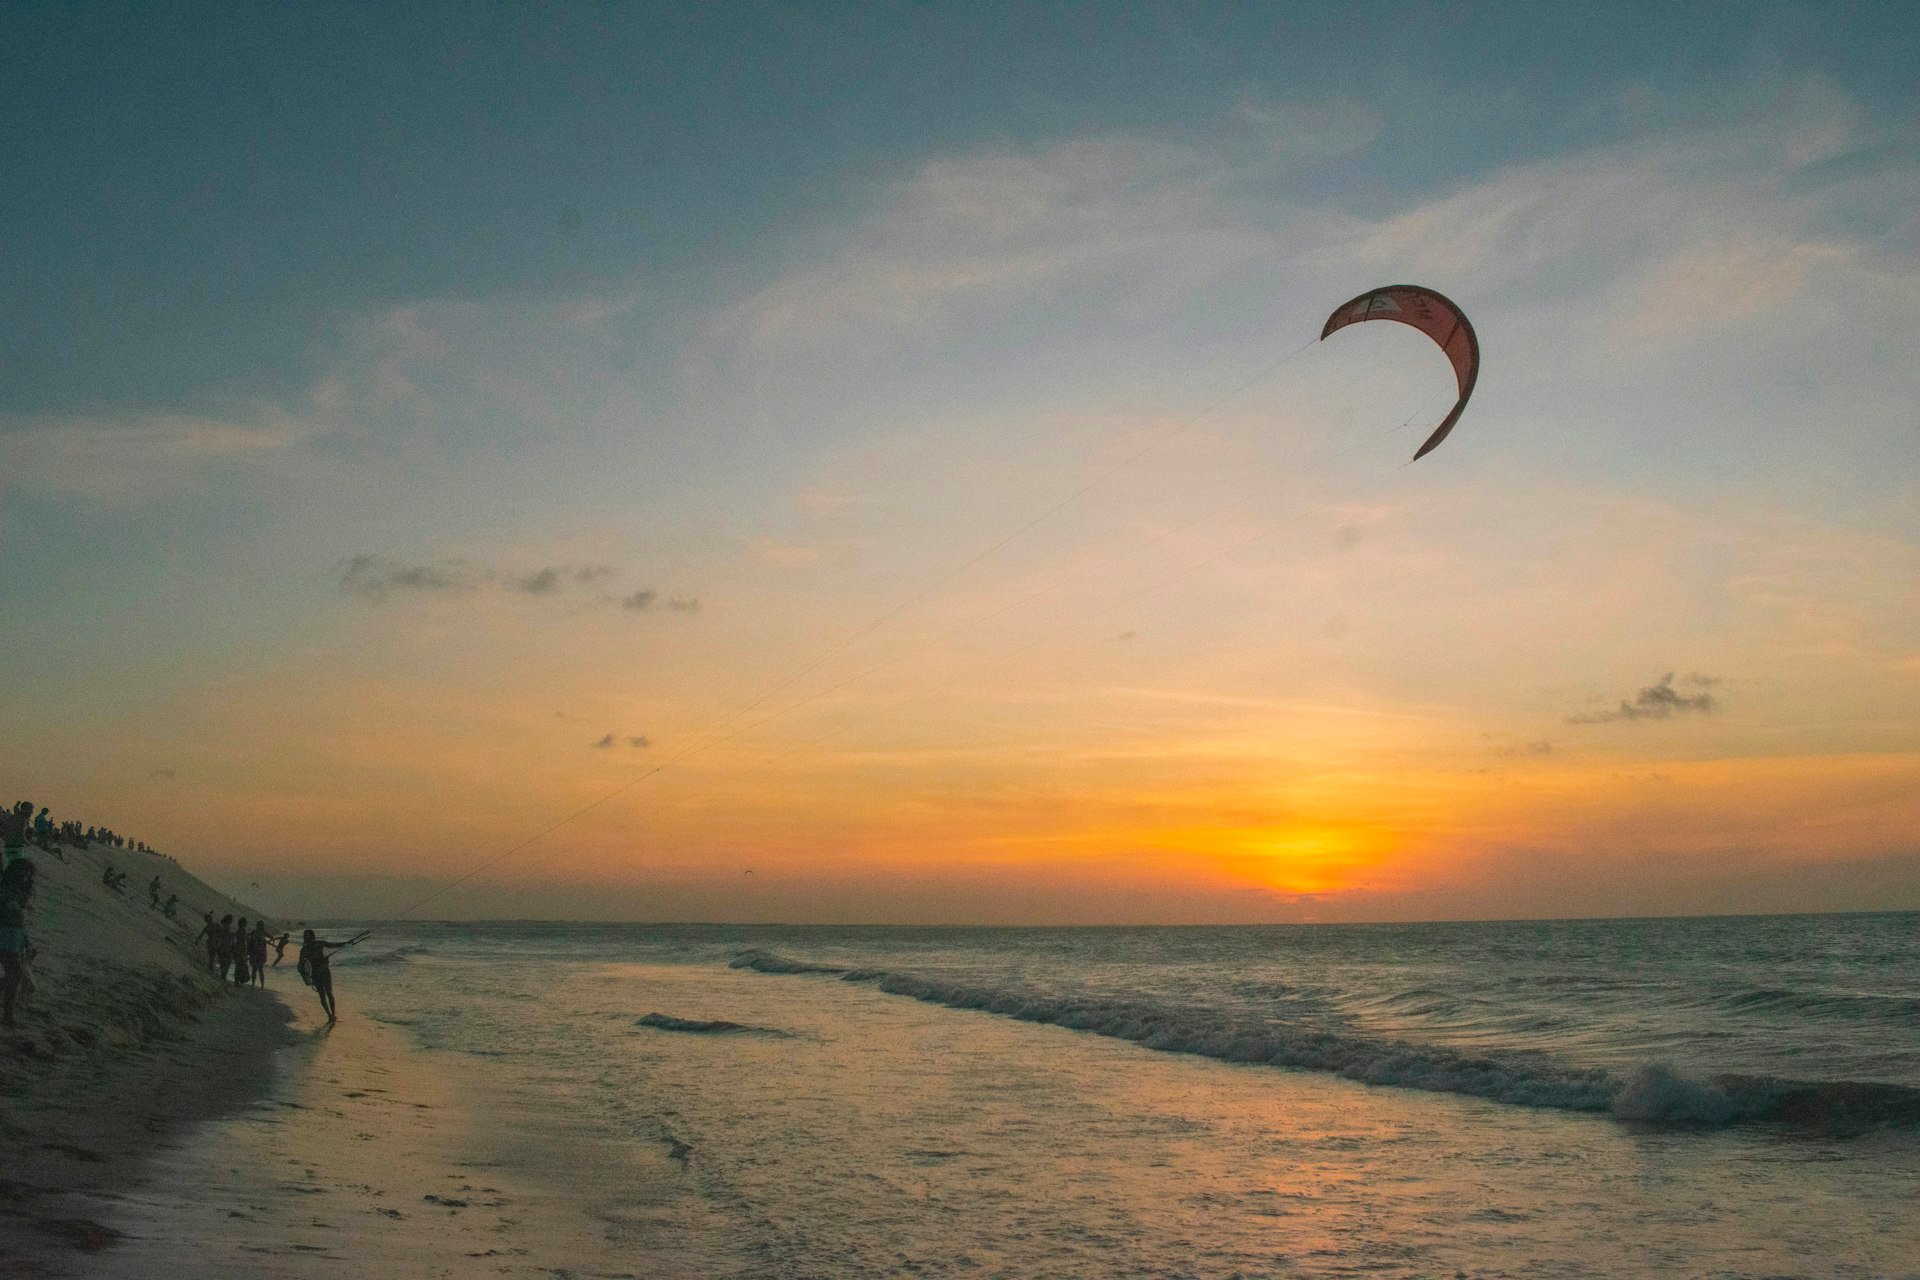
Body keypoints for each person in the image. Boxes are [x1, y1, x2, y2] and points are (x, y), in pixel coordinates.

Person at [297, 929, 359, 1024]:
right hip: (319, 972)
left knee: (326, 993)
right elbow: (301, 965)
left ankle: (332, 1015)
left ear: (311, 936)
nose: (305, 937)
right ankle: (330, 1015)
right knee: (325, 994)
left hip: (320, 972)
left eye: (306, 935)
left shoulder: (309, 948)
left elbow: (334, 945)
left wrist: (347, 943)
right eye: (305, 935)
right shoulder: (311, 947)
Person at [1, 860, 35, 1028]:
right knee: (15, 975)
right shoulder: (6, 890)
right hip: (5, 936)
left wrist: (27, 941)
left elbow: (21, 920)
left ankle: (8, 1015)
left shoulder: (17, 890)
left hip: (13, 938)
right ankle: (8, 1016)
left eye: (28, 873)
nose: (26, 876)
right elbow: (14, 915)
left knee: (14, 975)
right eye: (24, 872)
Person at [248, 921, 269, 989]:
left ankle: (254, 985)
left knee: (256, 970)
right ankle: (261, 986)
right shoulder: (263, 932)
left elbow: (249, 941)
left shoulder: (255, 932)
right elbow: (272, 938)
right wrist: (266, 942)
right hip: (260, 953)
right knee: (259, 970)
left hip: (256, 953)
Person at [232, 918, 252, 985]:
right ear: (244, 923)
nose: (247, 923)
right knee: (240, 966)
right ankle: (238, 982)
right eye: (246, 922)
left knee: (238, 966)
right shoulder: (243, 931)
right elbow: (245, 940)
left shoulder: (239, 931)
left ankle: (237, 981)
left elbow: (235, 938)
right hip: (241, 951)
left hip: (238, 950)